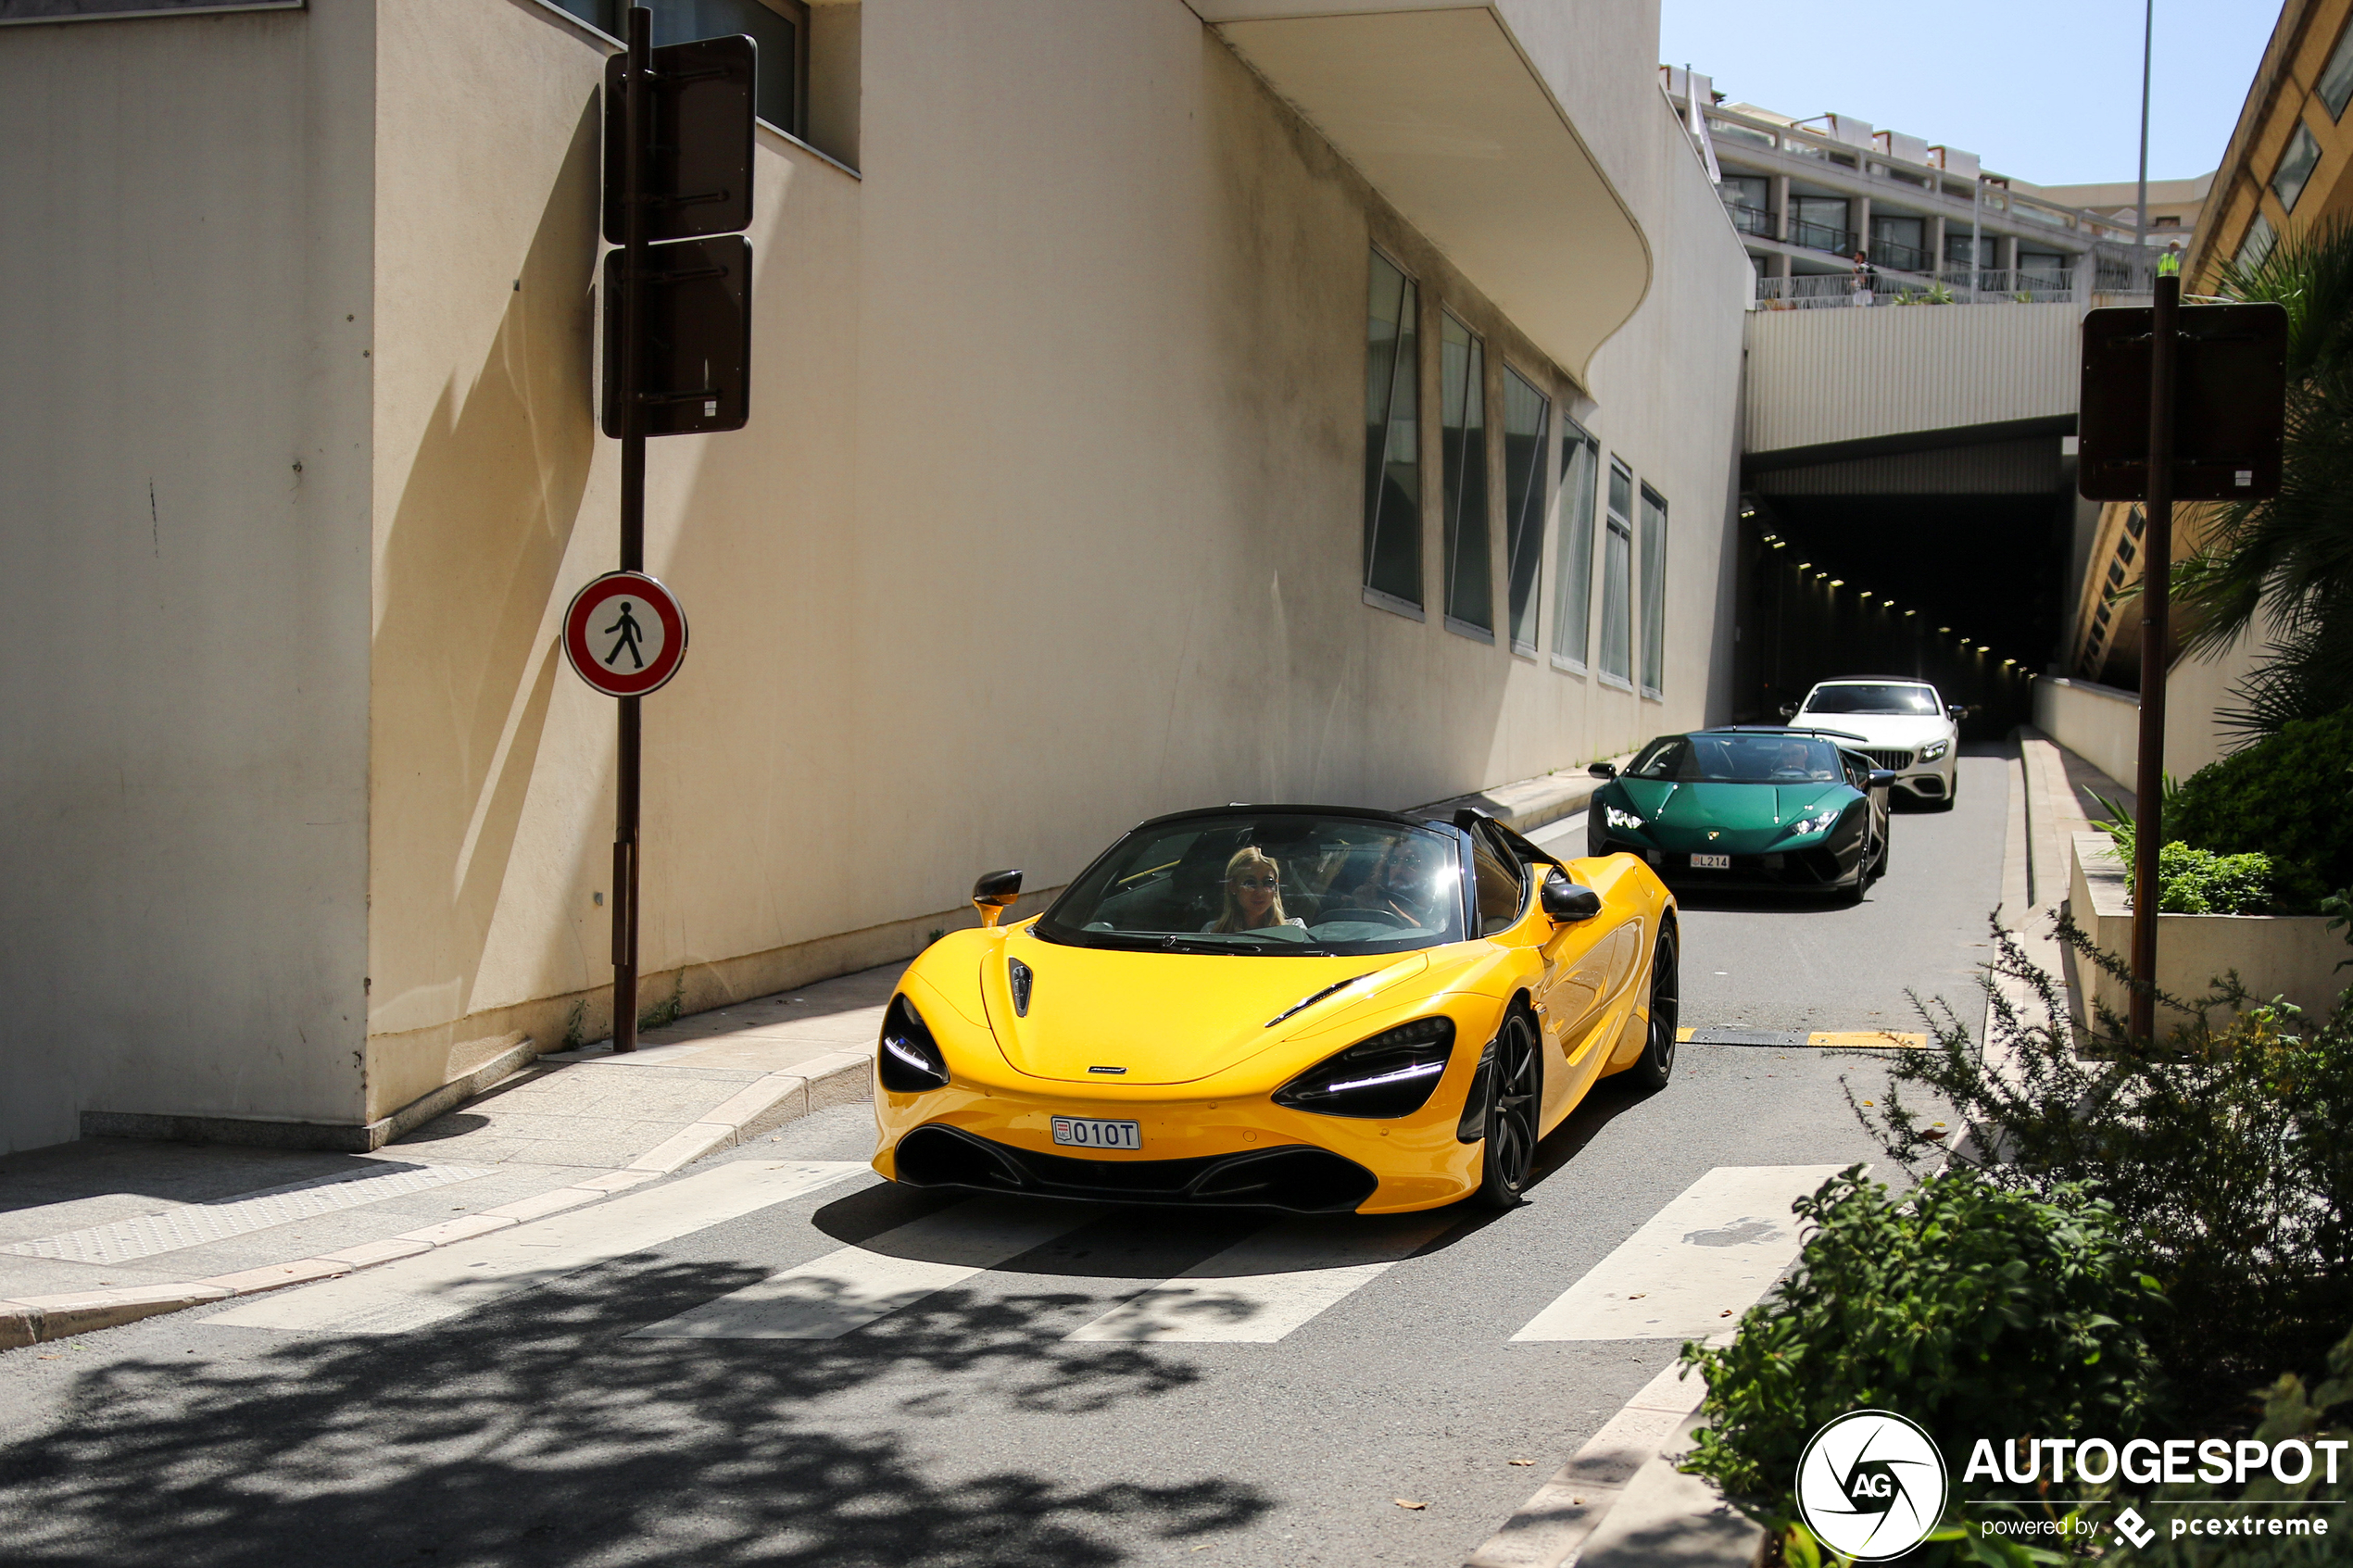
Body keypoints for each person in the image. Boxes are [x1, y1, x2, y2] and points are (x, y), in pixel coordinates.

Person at [1205, 847, 1302, 934]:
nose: (1260, 892)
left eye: (1268, 882)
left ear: (1276, 885)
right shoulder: (1212, 933)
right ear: (1233, 887)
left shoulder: (1296, 932)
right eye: (1250, 883)